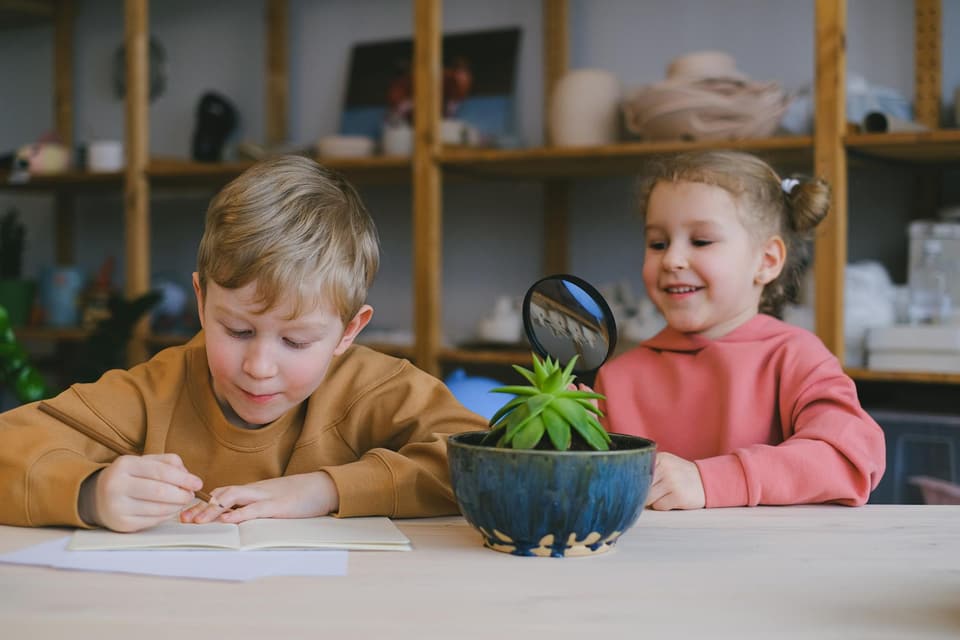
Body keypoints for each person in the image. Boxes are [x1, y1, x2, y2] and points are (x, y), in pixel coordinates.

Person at [0, 155, 487, 532]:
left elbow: (482, 458)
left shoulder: (374, 387)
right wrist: (91, 493)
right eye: (237, 331)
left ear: (349, 331)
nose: (258, 366)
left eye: (295, 341)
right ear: (201, 300)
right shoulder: (156, 391)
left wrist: (325, 489)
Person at [594, 150, 885, 511]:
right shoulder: (618, 375)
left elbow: (850, 459)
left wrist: (710, 481)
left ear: (767, 261)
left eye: (701, 241)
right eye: (658, 243)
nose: (671, 260)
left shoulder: (796, 357)